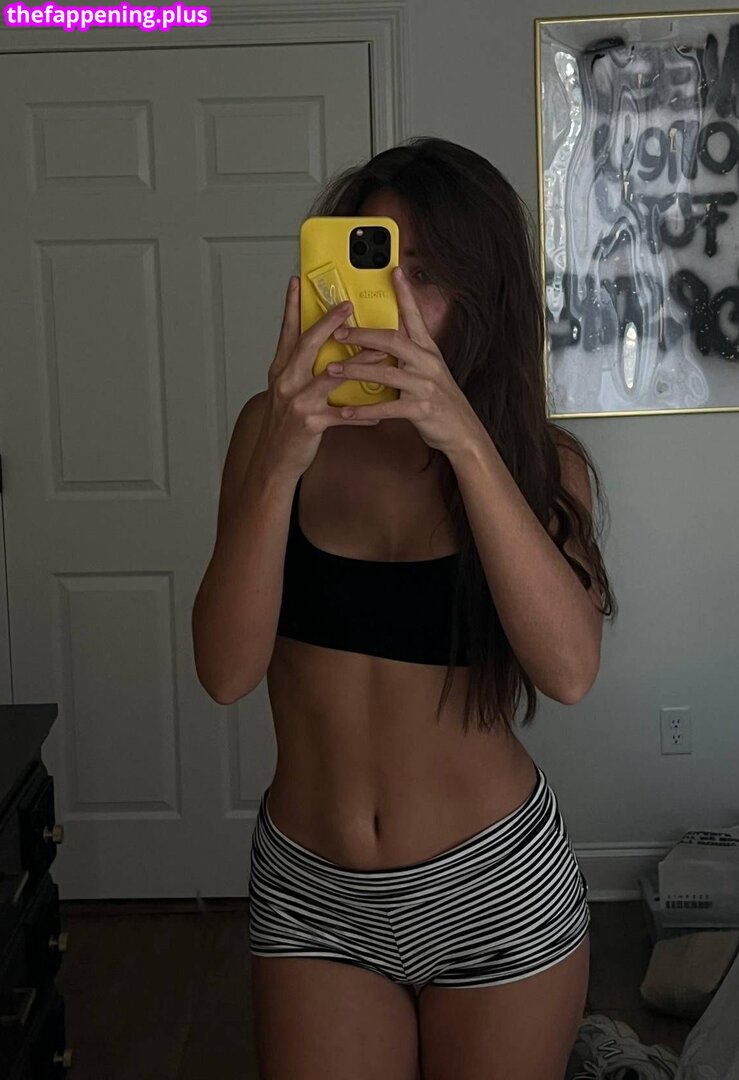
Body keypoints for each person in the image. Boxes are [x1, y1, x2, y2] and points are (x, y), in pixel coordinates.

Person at [192, 136, 618, 1080]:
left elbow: (569, 672)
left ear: (481, 297)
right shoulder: (268, 433)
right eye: (369, 263)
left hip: (494, 886)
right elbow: (223, 672)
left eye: (421, 275)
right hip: (313, 893)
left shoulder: (538, 463)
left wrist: (462, 440)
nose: (383, 303)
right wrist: (282, 460)